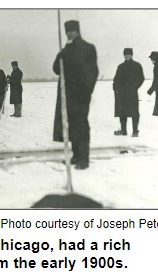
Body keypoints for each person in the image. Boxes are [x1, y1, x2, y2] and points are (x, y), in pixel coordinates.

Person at [53, 20, 99, 170]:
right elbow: (56, 69)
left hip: (81, 95)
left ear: (78, 31)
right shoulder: (67, 50)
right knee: (72, 125)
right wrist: (61, 54)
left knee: (81, 125)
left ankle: (83, 159)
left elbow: (92, 72)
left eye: (71, 31)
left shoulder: (88, 48)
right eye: (67, 31)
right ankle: (76, 156)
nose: (68, 34)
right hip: (68, 95)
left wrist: (86, 92)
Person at [113, 48, 145, 136]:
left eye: (128, 54)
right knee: (122, 112)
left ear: (132, 55)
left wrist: (134, 87)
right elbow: (116, 79)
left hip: (132, 93)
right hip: (121, 93)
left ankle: (135, 132)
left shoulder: (137, 65)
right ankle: (124, 131)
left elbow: (141, 78)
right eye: (125, 54)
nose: (127, 56)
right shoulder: (120, 67)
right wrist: (115, 88)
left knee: (134, 112)